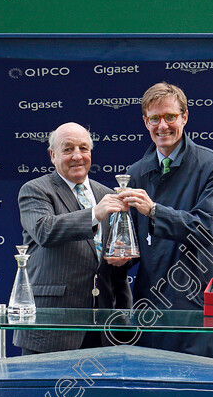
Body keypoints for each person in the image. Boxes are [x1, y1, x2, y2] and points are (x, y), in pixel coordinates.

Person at [114, 82, 213, 361]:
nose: (163, 126)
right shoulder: (135, 173)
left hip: (199, 303)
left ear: (185, 117)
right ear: (145, 121)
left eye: (170, 116)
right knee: (152, 395)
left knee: (209, 391)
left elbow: (210, 229)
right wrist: (118, 254)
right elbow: (132, 244)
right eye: (155, 118)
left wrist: (155, 211)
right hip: (151, 305)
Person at [15, 122, 132, 354]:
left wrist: (123, 257)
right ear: (53, 155)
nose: (77, 156)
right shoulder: (35, 190)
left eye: (83, 148)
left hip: (103, 327)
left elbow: (118, 255)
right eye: (68, 149)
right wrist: (94, 214)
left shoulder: (106, 194)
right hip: (52, 328)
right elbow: (44, 230)